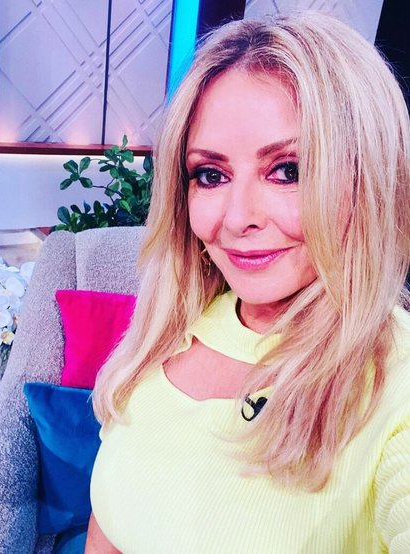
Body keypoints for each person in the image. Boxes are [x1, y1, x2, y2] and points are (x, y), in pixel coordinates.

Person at [85, 11, 410, 554]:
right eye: (210, 175)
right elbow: (110, 518)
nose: (237, 219)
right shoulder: (170, 324)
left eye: (288, 170)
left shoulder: (396, 381)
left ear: (367, 177)